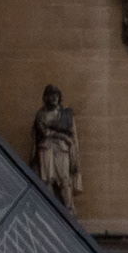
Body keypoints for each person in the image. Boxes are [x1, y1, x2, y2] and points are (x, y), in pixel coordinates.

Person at [32, 85, 81, 215]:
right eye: (50, 94)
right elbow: (45, 132)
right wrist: (62, 135)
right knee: (47, 180)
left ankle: (69, 210)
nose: (53, 97)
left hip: (62, 149)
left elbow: (72, 134)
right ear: (46, 97)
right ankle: (48, 212)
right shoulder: (41, 114)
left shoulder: (66, 114)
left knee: (65, 179)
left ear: (59, 97)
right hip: (46, 148)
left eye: (56, 94)